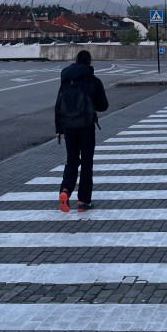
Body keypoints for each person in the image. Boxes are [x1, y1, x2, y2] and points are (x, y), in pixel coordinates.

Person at [55, 50, 109, 213]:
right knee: (86, 163)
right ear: (89, 62)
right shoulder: (93, 80)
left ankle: (65, 191)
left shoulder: (66, 80)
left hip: (68, 127)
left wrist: (59, 129)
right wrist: (91, 106)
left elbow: (58, 105)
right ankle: (84, 201)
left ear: (76, 61)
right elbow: (104, 105)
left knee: (71, 161)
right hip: (86, 126)